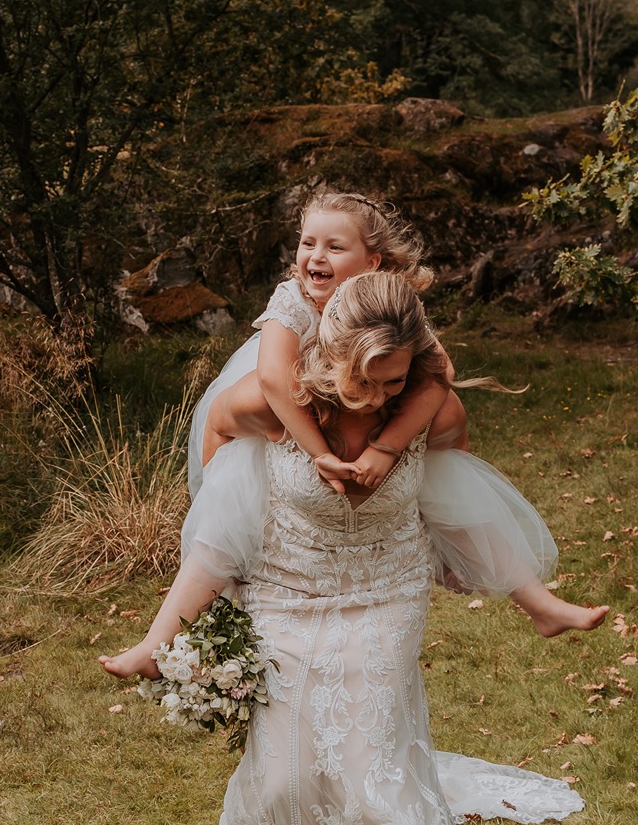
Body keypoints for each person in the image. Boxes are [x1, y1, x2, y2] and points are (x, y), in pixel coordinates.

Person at [104, 271, 581, 825]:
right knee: (293, 771)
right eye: (372, 378)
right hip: (288, 590)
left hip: (385, 591)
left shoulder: (428, 408)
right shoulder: (268, 404)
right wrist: (237, 526)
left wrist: (462, 557)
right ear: (336, 356)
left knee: (368, 769)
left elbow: (454, 487)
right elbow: (219, 458)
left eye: (398, 379)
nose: (386, 393)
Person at [189, 190, 606, 637]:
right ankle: (214, 579)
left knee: (443, 465)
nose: (316, 256)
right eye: (308, 242)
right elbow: (275, 381)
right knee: (236, 484)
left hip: (371, 409)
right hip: (297, 410)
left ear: (372, 263)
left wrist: (388, 448)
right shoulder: (291, 300)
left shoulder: (389, 303)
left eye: (334, 246)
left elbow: (441, 373)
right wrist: (317, 453)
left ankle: (533, 600)